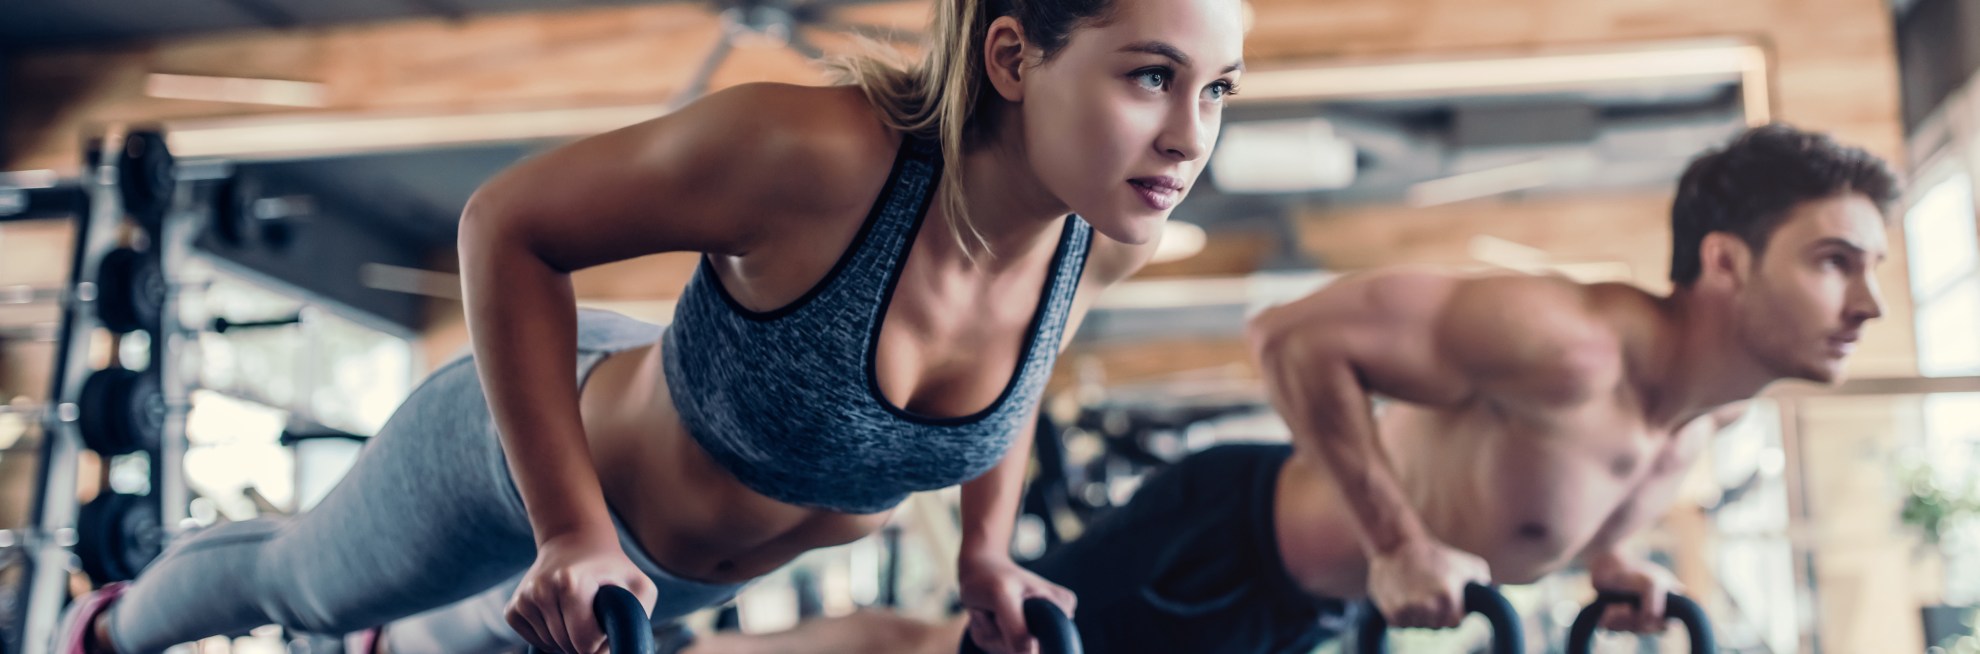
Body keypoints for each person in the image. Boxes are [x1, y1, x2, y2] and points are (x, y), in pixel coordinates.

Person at [51, 0, 1247, 652]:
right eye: (1151, 76)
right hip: (532, 472)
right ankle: (103, 629)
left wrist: (987, 551)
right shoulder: (813, 157)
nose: (1191, 138)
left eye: (1218, 91)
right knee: (313, 590)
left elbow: (1016, 381)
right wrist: (569, 528)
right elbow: (506, 224)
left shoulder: (1105, 241)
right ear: (1011, 56)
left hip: (664, 585)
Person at [679, 123, 1900, 654]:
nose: (1870, 304)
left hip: (1303, 613)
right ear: (1728, 264)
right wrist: (1398, 537)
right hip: (1221, 547)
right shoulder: (1565, 340)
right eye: (1835, 260)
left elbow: (1541, 490)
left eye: (1878, 270)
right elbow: (1290, 334)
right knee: (945, 652)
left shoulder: (1706, 416)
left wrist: (1611, 563)